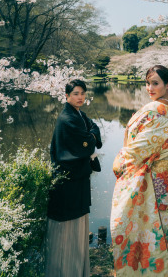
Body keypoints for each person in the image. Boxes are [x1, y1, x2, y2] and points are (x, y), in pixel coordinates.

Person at [110, 65, 168, 276]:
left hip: (153, 187)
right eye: (147, 83)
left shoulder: (159, 115)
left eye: (155, 83)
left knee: (152, 235)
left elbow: (136, 152)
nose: (149, 88)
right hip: (166, 186)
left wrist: (119, 165)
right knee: (164, 234)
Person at [46, 78, 102, 277]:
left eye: (82, 93)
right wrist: (91, 136)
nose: (80, 97)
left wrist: (91, 136)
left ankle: (77, 270)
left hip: (76, 181)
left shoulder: (78, 114)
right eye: (75, 94)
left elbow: (93, 129)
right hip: (68, 183)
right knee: (67, 229)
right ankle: (66, 271)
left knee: (77, 224)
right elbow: (88, 140)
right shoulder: (67, 119)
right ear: (67, 96)